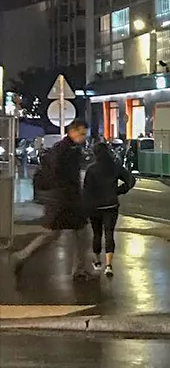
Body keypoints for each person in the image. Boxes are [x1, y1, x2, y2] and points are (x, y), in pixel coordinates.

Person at [12, 120, 92, 279]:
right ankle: (80, 269)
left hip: (61, 199)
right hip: (65, 200)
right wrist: (72, 197)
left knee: (60, 233)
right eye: (81, 133)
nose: (83, 137)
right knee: (76, 233)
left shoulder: (65, 148)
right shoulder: (66, 150)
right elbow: (64, 177)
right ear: (72, 131)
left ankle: (23, 255)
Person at [83, 141, 136, 277]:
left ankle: (97, 262)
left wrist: (85, 206)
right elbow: (130, 180)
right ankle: (109, 265)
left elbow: (86, 191)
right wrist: (118, 191)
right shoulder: (114, 167)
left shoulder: (91, 169)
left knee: (97, 234)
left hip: (95, 206)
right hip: (111, 205)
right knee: (109, 233)